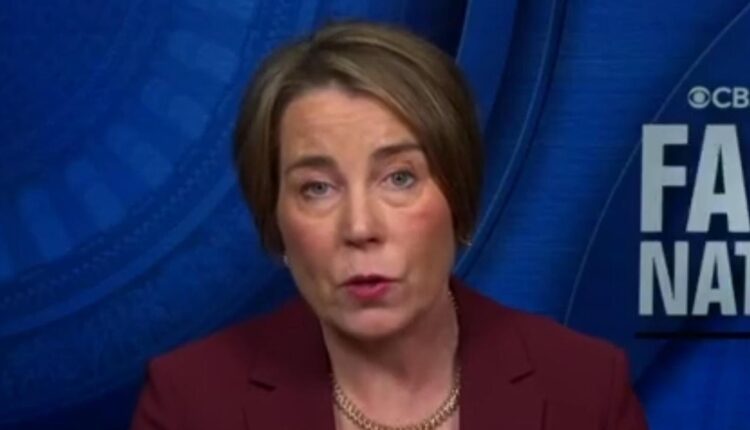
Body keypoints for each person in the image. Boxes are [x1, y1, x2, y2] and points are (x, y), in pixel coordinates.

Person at [130, 20, 648, 430]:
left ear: (458, 194)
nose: (360, 227)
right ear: (274, 218)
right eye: (317, 188)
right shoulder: (190, 404)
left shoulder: (583, 389)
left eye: (399, 178)